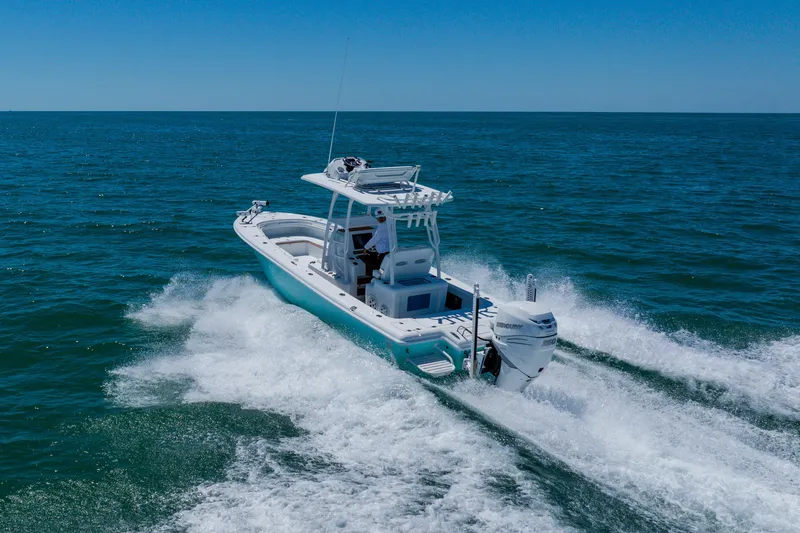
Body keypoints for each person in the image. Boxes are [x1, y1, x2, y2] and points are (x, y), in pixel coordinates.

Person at [362, 208, 390, 275]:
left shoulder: (382, 227)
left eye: (381, 217)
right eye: (378, 217)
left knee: (368, 260)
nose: (379, 219)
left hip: (383, 255)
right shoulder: (388, 224)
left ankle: (371, 279)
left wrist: (365, 248)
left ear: (385, 216)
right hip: (388, 253)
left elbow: (374, 239)